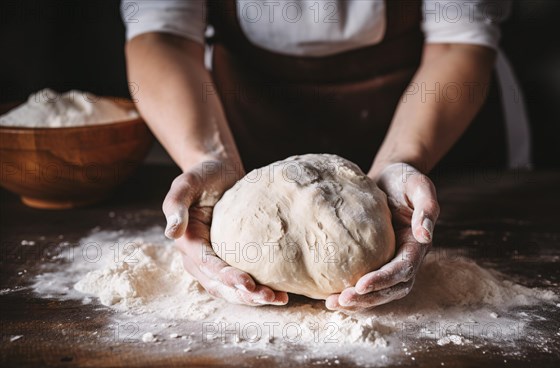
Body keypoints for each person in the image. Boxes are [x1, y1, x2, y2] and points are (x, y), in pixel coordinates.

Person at [122, 0, 528, 311]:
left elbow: (458, 39)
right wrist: (206, 155)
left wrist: (406, 158)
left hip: (435, 119)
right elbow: (162, 35)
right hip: (245, 116)